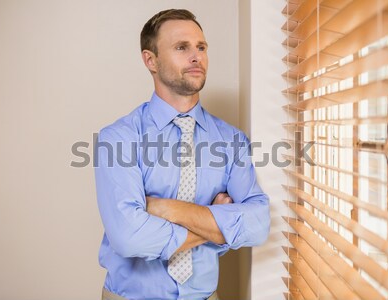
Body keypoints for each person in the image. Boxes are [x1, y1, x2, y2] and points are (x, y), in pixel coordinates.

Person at [95, 9, 270, 300]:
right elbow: (130, 238)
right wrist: (216, 223)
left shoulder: (231, 140)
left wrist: (167, 209)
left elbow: (259, 224)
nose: (196, 56)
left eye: (201, 47)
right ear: (151, 60)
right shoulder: (119, 139)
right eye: (181, 47)